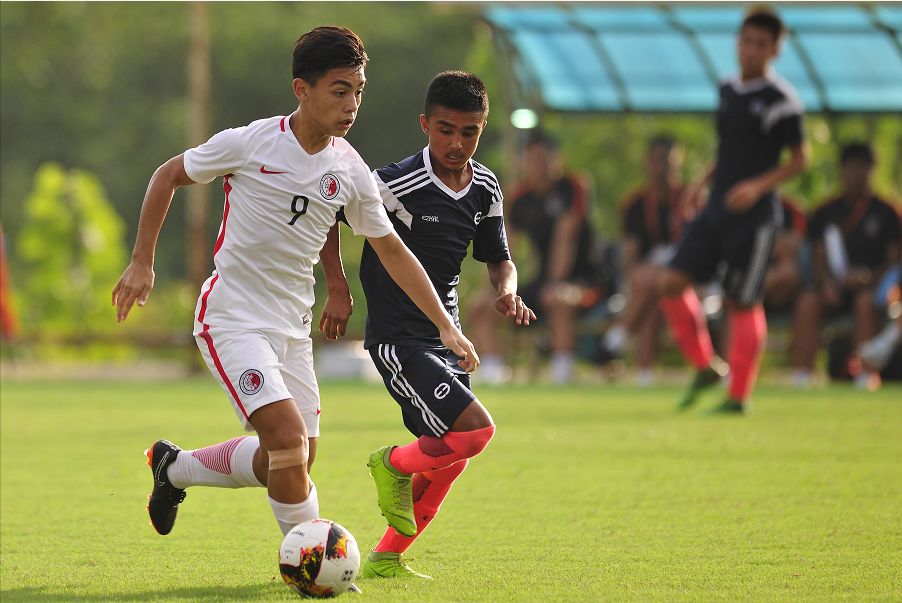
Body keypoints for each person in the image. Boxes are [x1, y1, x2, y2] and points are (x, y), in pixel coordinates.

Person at [111, 27, 478, 550]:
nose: (352, 105)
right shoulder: (252, 143)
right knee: (286, 440)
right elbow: (168, 174)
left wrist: (444, 325)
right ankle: (310, 563)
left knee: (291, 459)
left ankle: (175, 468)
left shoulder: (349, 169)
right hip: (233, 317)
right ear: (302, 90)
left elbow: (393, 250)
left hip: (293, 327)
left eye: (358, 91)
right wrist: (141, 260)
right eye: (339, 91)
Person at [325, 71, 534, 579]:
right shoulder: (394, 183)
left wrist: (507, 290)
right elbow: (328, 215)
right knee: (476, 432)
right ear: (425, 124)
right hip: (401, 339)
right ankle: (390, 464)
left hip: (448, 337)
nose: (456, 143)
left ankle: (386, 557)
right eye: (445, 130)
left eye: (469, 132)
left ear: (482, 129)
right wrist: (337, 288)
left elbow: (499, 258)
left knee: (451, 458)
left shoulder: (485, 187)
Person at [658, 7, 809, 414]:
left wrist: (757, 187)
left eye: (761, 44)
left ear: (775, 50)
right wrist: (700, 184)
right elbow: (729, 151)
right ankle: (705, 365)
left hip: (755, 217)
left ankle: (738, 396)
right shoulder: (727, 88)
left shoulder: (783, 100)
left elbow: (800, 160)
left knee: (742, 300)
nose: (750, 50)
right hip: (716, 208)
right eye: (746, 42)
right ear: (738, 42)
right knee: (671, 282)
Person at [469, 131, 601, 384]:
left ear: (557, 160)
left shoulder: (574, 186)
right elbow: (504, 248)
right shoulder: (520, 197)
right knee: (482, 306)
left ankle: (562, 374)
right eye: (531, 160)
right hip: (544, 282)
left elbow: (565, 240)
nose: (537, 166)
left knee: (557, 299)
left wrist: (555, 284)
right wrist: (494, 291)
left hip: (586, 281)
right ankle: (494, 375)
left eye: (543, 159)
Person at [792, 143, 901, 388]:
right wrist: (825, 283)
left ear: (872, 169)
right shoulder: (826, 211)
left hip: (872, 287)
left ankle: (864, 373)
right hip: (832, 285)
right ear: (842, 169)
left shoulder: (887, 212)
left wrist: (869, 278)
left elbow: (893, 260)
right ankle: (802, 374)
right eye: (851, 167)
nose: (856, 174)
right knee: (807, 302)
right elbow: (817, 253)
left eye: (862, 167)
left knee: (865, 303)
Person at [599, 136, 688, 385]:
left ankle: (615, 341)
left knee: (656, 285)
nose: (663, 167)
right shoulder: (635, 204)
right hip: (649, 285)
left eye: (668, 161)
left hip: (689, 280)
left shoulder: (692, 198)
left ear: (679, 161)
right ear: (648, 162)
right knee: (653, 292)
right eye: (658, 160)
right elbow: (629, 259)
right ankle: (644, 377)